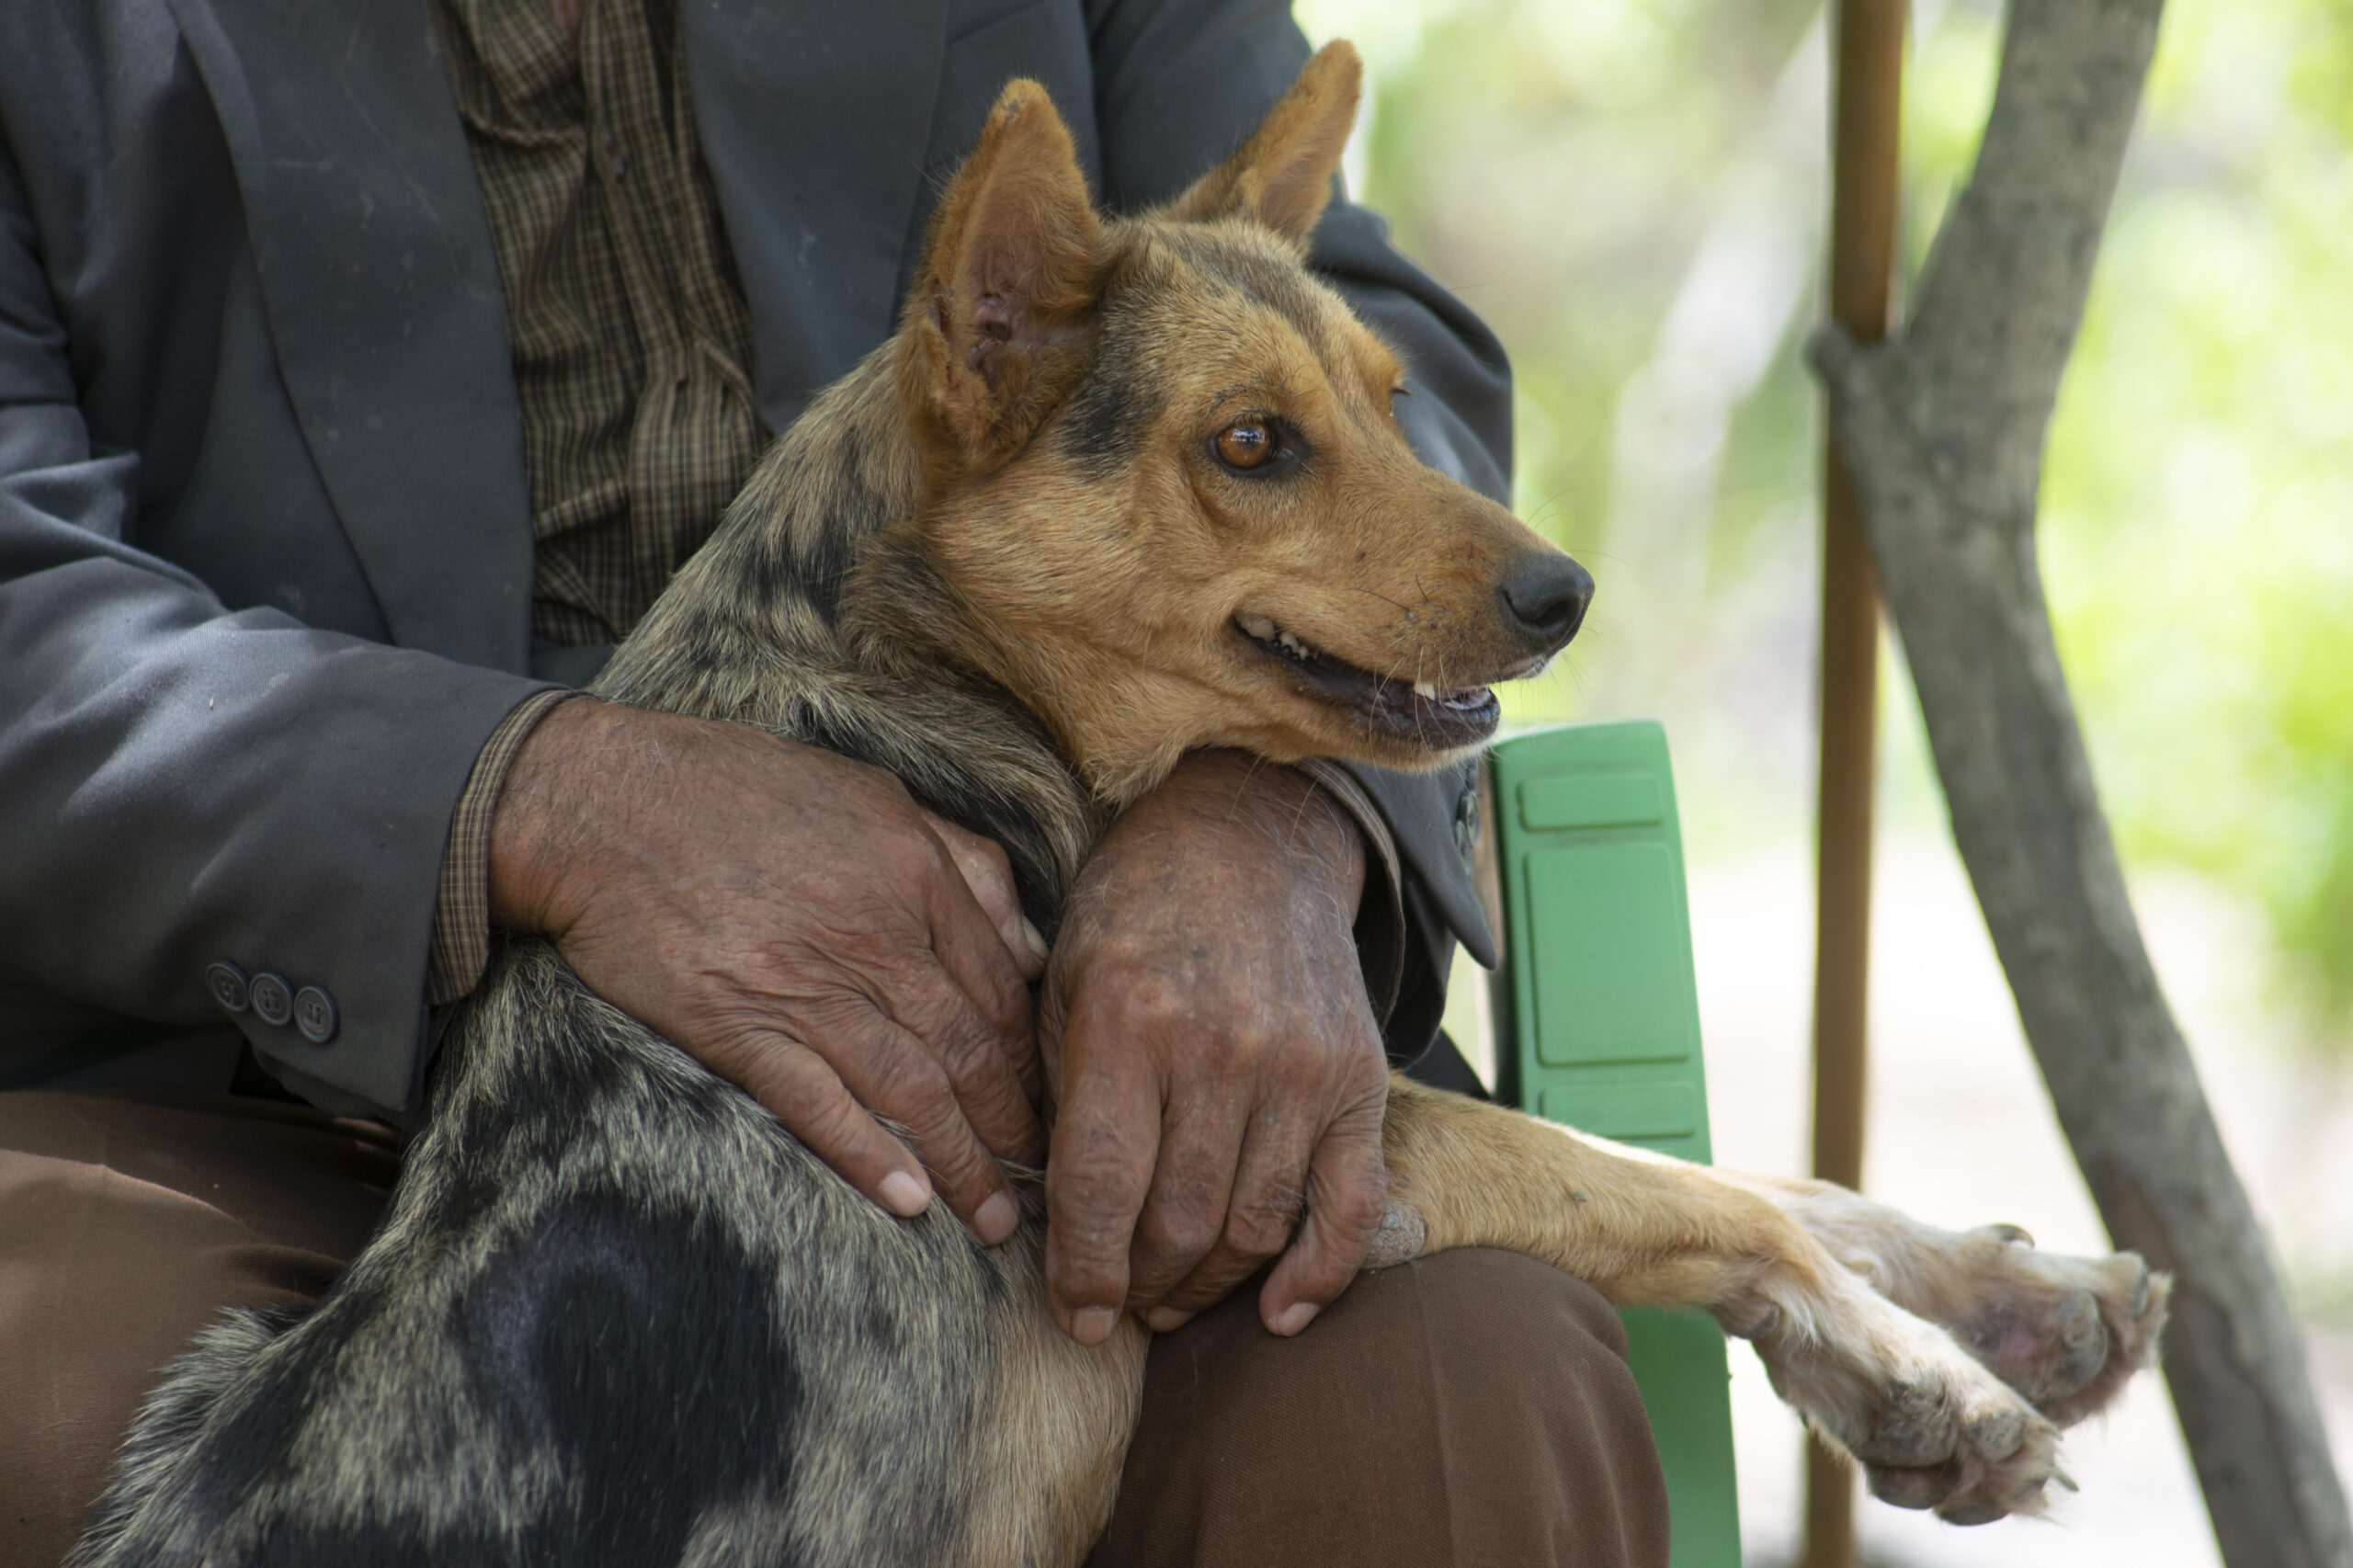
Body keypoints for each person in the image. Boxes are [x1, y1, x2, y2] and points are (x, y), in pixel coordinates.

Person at [0, 0, 1669, 1562]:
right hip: (259, 1082)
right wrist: (544, 800)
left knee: (1461, 1404)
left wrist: (1268, 815)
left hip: (1066, 1051)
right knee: (31, 1382)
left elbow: (1378, 360)